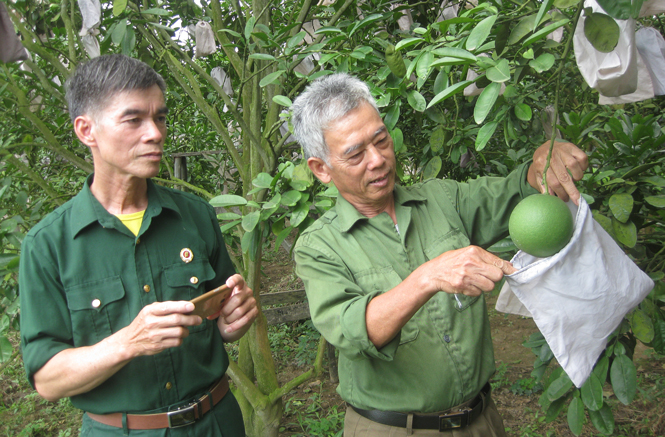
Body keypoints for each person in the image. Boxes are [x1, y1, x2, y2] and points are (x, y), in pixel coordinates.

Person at [291, 73, 588, 436]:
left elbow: (518, 191)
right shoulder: (319, 246)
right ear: (321, 168)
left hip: (481, 421)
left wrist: (543, 162)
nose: (378, 160)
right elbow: (355, 332)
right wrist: (428, 277)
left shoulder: (443, 199)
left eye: (381, 140)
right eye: (355, 153)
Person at [19, 54, 258, 436]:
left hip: (217, 422)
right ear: (86, 130)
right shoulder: (48, 244)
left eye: (159, 117)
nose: (155, 133)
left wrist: (233, 320)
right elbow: (48, 380)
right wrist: (128, 342)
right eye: (134, 120)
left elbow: (224, 316)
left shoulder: (195, 215)